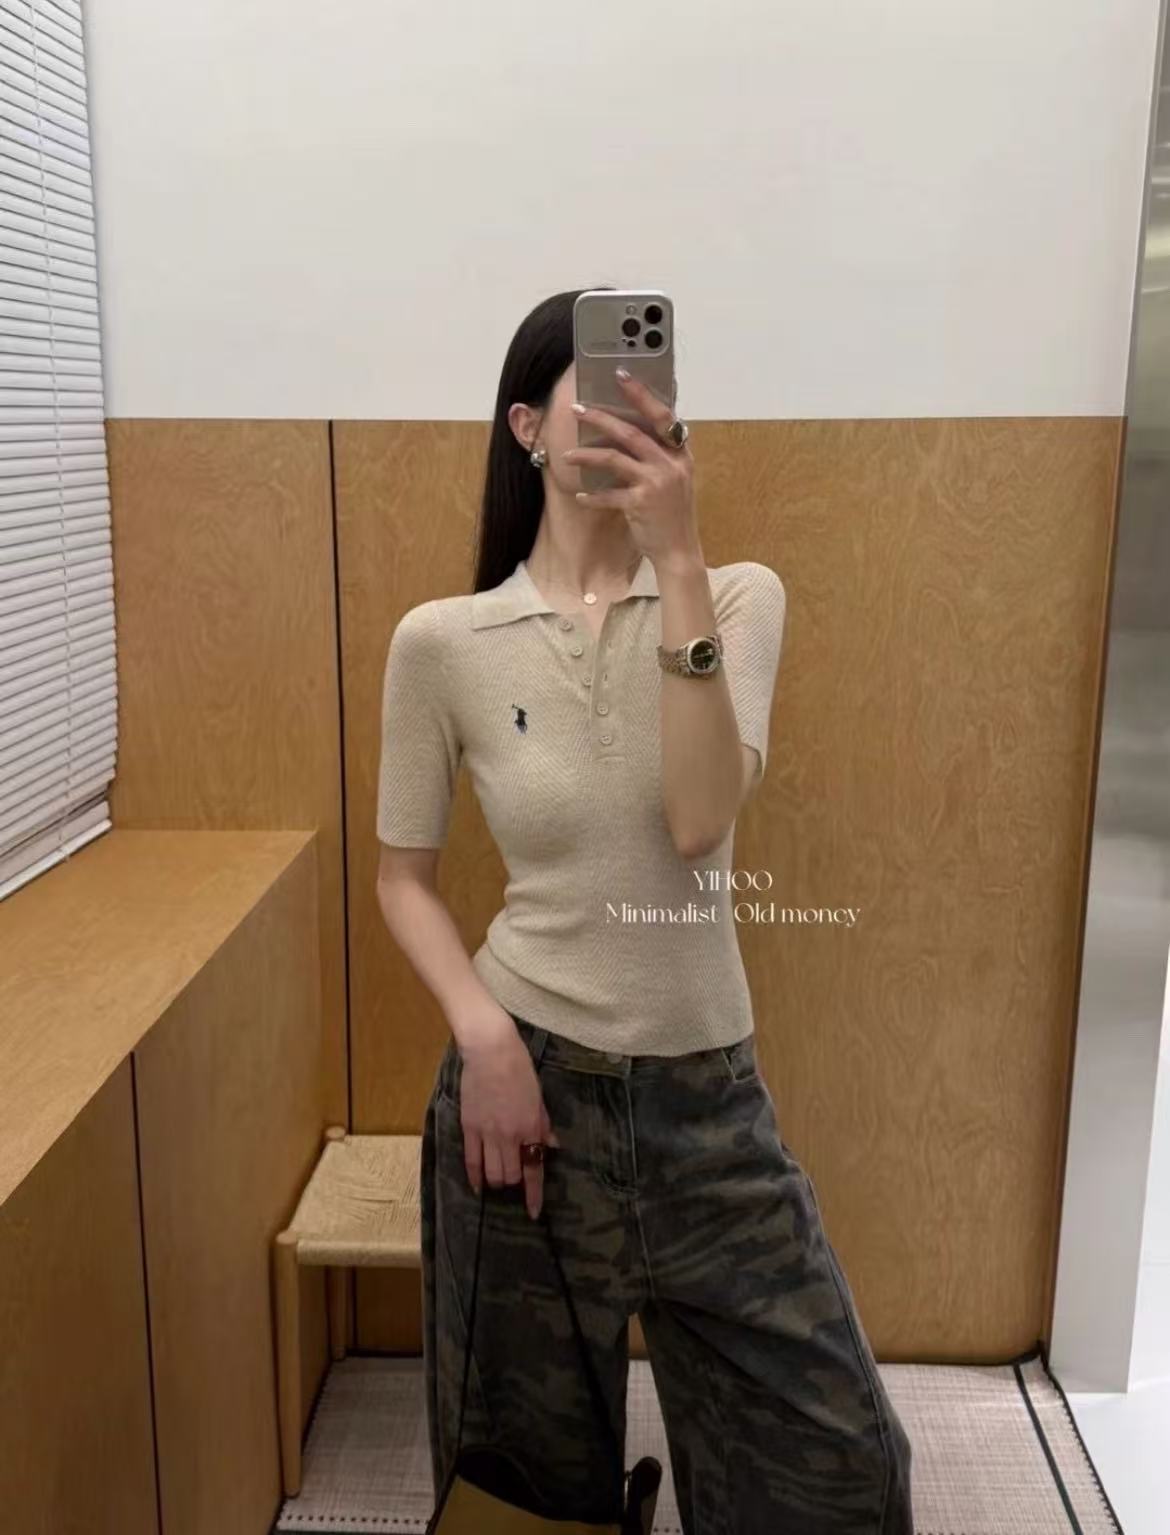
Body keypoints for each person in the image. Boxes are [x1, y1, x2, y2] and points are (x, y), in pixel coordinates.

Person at [374, 286, 914, 1534]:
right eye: (598, 392)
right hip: (525, 1100)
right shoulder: (442, 643)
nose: (632, 412)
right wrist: (482, 1035)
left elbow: (699, 817)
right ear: (526, 426)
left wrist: (677, 559)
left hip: (705, 1109)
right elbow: (403, 877)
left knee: (842, 1470)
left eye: (649, 392)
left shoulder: (735, 596)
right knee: (519, 1492)